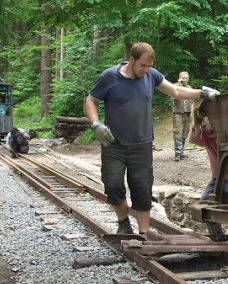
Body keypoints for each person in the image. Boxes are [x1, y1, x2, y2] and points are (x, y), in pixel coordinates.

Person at [84, 42, 219, 236]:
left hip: (142, 144)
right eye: (143, 65)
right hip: (114, 144)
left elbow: (176, 91)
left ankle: (144, 232)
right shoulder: (110, 77)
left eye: (149, 66)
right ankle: (123, 223)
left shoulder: (151, 75)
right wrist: (96, 124)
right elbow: (91, 100)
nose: (146, 70)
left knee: (142, 188)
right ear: (132, 59)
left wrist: (203, 93)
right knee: (113, 185)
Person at [188, 104, 228, 237]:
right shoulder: (206, 138)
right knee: (205, 207)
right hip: (217, 179)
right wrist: (196, 123)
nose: (206, 127)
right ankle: (218, 238)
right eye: (204, 125)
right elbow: (193, 138)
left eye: (208, 122)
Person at [172, 71, 193, 161]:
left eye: (186, 78)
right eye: (183, 78)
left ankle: (181, 152)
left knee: (185, 133)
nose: (184, 80)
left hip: (187, 113)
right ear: (180, 78)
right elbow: (173, 97)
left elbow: (192, 101)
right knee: (178, 132)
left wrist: (192, 112)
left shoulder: (189, 88)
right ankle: (177, 154)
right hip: (178, 113)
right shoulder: (175, 86)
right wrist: (180, 85)